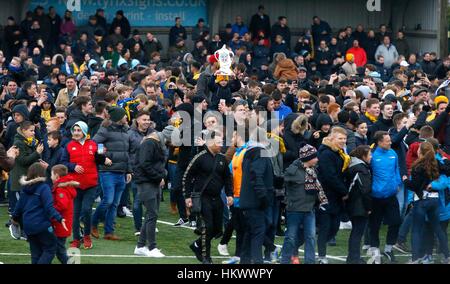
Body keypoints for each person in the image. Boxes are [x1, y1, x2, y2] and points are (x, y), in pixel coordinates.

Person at [183, 129, 233, 264]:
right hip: (202, 198)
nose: (222, 144)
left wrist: (229, 194)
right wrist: (187, 196)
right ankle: (206, 257)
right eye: (219, 142)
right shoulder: (199, 157)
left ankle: (197, 245)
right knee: (207, 227)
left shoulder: (222, 159)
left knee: (217, 230)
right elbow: (187, 176)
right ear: (210, 142)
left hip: (217, 198)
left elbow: (228, 179)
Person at [11, 163, 67, 264]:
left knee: (36, 253)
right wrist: (59, 218)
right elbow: (49, 207)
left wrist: (14, 219)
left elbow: (18, 208)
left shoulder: (24, 189)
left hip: (28, 226)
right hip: (41, 225)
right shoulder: (44, 188)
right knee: (50, 249)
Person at [405, 142, 450, 264]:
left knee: (416, 230)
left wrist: (405, 180)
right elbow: (448, 170)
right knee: (438, 229)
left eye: (419, 149)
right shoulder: (437, 164)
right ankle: (447, 256)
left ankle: (415, 258)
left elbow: (415, 186)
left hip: (421, 201)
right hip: (434, 201)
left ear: (421, 152)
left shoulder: (417, 166)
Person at [92, 107, 132, 240]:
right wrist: (103, 157)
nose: (126, 117)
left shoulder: (126, 131)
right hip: (107, 171)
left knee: (114, 203)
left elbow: (128, 153)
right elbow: (94, 144)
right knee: (108, 201)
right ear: (118, 117)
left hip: (121, 172)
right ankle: (93, 223)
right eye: (124, 116)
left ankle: (109, 232)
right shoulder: (105, 130)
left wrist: (129, 170)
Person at [63, 121, 103, 249]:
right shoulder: (68, 146)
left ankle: (86, 236)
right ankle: (76, 239)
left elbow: (100, 159)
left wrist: (103, 155)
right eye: (74, 130)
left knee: (86, 210)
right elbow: (63, 162)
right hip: (75, 185)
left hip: (91, 184)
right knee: (74, 213)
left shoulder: (93, 144)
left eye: (79, 130)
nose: (76, 133)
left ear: (85, 132)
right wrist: (73, 166)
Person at [281, 144, 323, 264]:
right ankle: (284, 260)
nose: (317, 159)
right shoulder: (292, 170)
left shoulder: (313, 170)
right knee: (290, 238)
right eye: (315, 157)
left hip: (309, 209)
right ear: (308, 158)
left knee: (310, 238)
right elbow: (282, 183)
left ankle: (310, 262)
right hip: (294, 210)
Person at [133, 130, 171, 258]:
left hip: (152, 182)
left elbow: (153, 165)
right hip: (146, 182)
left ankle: (140, 246)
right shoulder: (149, 144)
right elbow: (145, 164)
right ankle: (152, 247)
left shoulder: (153, 144)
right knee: (152, 214)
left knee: (150, 214)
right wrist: (159, 176)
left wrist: (161, 176)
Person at [240, 127, 274, 264]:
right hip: (255, 201)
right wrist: (264, 197)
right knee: (258, 232)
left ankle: (245, 261)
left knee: (250, 232)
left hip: (248, 200)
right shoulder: (260, 153)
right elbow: (257, 175)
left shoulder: (248, 152)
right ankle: (257, 261)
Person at [368, 131, 402, 264]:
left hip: (391, 195)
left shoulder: (393, 153)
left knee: (396, 221)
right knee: (375, 225)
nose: (390, 142)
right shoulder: (372, 156)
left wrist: (397, 183)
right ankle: (375, 250)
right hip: (376, 197)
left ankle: (388, 249)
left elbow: (396, 170)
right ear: (380, 142)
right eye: (387, 140)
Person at [9, 121, 44, 217]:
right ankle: (16, 227)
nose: (34, 133)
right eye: (31, 131)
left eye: (34, 130)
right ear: (24, 131)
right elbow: (23, 161)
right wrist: (37, 153)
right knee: (22, 209)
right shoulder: (18, 142)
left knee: (28, 208)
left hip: (28, 179)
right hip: (20, 180)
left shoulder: (30, 141)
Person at [345, 146, 372, 264]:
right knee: (357, 232)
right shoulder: (361, 169)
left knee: (356, 231)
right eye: (370, 154)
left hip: (353, 203)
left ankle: (352, 257)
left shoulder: (353, 166)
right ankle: (354, 258)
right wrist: (369, 207)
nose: (371, 157)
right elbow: (365, 190)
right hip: (359, 205)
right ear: (363, 156)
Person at [50, 164, 78, 264]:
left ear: (57, 176)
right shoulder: (65, 186)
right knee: (59, 247)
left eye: (52, 175)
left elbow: (62, 205)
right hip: (64, 221)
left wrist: (50, 209)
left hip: (61, 222)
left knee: (59, 248)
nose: (50, 177)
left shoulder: (61, 188)